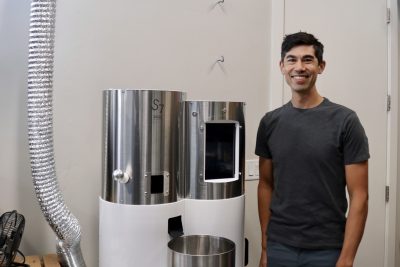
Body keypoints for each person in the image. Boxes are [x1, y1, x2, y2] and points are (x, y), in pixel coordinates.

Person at [255, 32, 369, 267]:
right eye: (292, 59)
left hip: (327, 250)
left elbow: (360, 195)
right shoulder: (269, 123)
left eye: (308, 60)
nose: (299, 67)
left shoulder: (345, 121)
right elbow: (265, 184)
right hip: (279, 246)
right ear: (282, 66)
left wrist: (346, 259)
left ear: (320, 66)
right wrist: (266, 248)